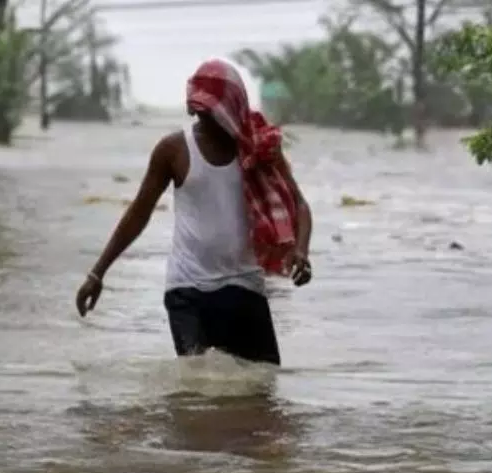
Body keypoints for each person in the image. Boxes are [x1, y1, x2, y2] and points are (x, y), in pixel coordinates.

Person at [74, 58, 313, 367]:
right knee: (197, 388)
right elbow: (138, 213)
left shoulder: (259, 149)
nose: (209, 120)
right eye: (201, 111)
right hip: (187, 291)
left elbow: (300, 204)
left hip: (245, 287)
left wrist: (301, 250)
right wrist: (97, 273)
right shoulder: (173, 151)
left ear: (234, 108)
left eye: (215, 112)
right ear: (192, 109)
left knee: (262, 389)